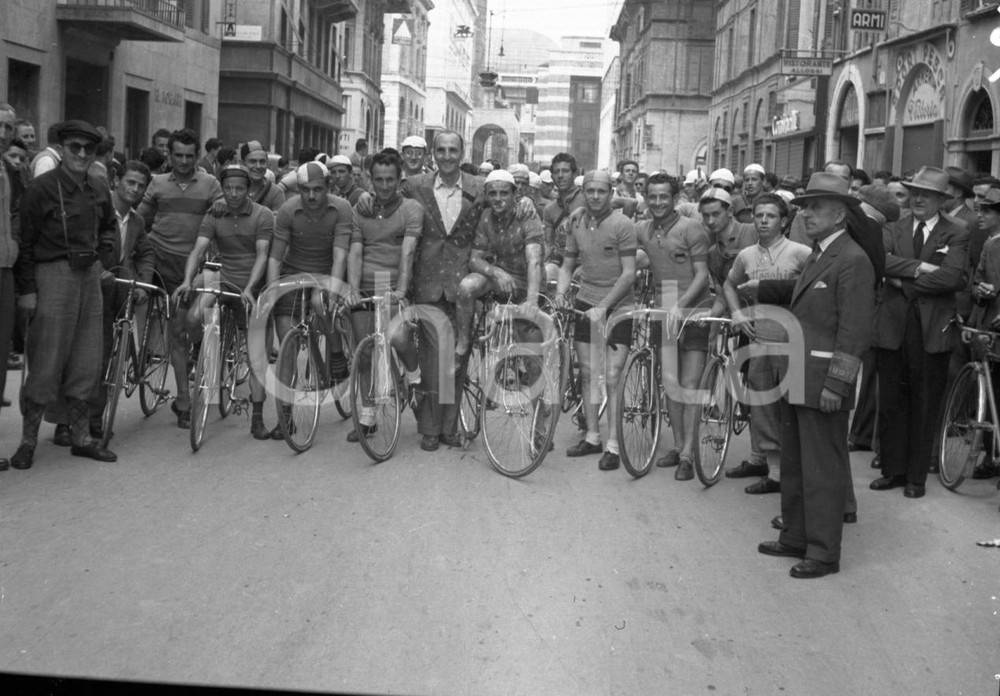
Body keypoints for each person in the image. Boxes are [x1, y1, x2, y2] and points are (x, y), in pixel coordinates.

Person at [755, 172, 876, 579]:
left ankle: (824, 553)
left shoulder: (853, 260)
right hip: (800, 375)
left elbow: (854, 330)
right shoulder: (821, 253)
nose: (805, 214)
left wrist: (837, 385)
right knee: (796, 463)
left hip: (822, 381)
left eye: (815, 207)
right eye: (805, 206)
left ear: (839, 213)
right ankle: (795, 535)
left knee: (822, 470)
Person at [12, 120, 119, 469]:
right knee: (45, 361)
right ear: (61, 149)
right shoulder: (41, 188)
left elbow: (108, 228)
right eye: (75, 147)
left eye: (89, 149)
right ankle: (28, 441)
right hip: (52, 274)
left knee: (87, 359)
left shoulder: (99, 187)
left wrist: (103, 259)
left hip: (89, 275)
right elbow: (25, 243)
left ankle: (81, 437)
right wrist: (27, 290)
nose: (82, 154)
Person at [872, 166, 970, 498]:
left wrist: (904, 283)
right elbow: (880, 262)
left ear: (941, 200)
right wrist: (917, 267)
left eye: (926, 194)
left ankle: (916, 477)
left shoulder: (956, 232)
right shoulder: (893, 228)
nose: (918, 199)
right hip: (893, 326)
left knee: (924, 401)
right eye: (914, 192)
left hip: (931, 330)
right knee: (892, 400)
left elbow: (952, 278)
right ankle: (893, 470)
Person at [172, 164, 273, 440]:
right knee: (192, 317)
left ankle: (258, 418)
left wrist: (251, 288)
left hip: (253, 288)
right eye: (228, 188)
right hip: (223, 281)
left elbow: (263, 255)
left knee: (256, 359)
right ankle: (200, 354)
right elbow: (198, 249)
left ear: (249, 190)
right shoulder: (215, 214)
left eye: (239, 188)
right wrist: (185, 279)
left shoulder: (262, 216)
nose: (233, 194)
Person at [402, 130, 486, 452]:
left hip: (462, 284)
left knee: (458, 359)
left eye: (453, 150)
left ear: (462, 152)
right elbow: (385, 201)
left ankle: (449, 428)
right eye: (441, 150)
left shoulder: (478, 189)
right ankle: (428, 427)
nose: (447, 156)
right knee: (432, 359)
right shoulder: (415, 186)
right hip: (427, 282)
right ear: (432, 154)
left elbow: (504, 209)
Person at [722, 193, 811, 494]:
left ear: (784, 221)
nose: (762, 221)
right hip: (759, 339)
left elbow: (814, 288)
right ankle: (772, 471)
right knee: (761, 405)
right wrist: (735, 313)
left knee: (789, 407)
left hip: (792, 340)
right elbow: (728, 283)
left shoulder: (800, 252)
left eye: (770, 216)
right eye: (758, 215)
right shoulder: (746, 255)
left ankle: (791, 472)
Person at [137, 128, 224, 429]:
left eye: (190, 155)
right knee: (176, 331)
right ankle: (184, 400)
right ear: (169, 155)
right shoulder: (158, 184)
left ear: (197, 155)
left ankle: (197, 357)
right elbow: (139, 218)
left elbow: (223, 216)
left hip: (194, 267)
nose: (184, 162)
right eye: (178, 155)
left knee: (187, 326)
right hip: (161, 261)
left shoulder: (211, 184)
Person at [554, 170, 637, 471]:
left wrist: (603, 307)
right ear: (583, 192)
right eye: (590, 191)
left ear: (611, 192)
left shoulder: (623, 224)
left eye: (602, 191)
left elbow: (629, 274)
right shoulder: (576, 222)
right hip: (585, 303)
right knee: (588, 372)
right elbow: (566, 265)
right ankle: (592, 437)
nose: (596, 196)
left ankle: (614, 446)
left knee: (613, 377)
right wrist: (562, 293)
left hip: (619, 307)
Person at [267, 161, 354, 438]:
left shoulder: (341, 208)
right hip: (293, 274)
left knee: (320, 304)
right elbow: (275, 257)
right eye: (305, 190)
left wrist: (332, 289)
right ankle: (285, 417)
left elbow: (340, 255)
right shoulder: (287, 210)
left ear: (328, 187)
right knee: (287, 351)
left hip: (326, 273)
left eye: (318, 189)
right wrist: (272, 289)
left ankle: (337, 355)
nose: (312, 196)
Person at [635, 172, 711, 480]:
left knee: (690, 386)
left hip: (694, 310)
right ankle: (679, 446)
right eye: (651, 197)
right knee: (670, 384)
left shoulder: (692, 228)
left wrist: (681, 307)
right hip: (663, 308)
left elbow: (702, 275)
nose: (657, 202)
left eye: (663, 196)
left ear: (675, 198)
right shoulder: (642, 229)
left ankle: (688, 456)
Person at [345, 150, 423, 442]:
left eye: (391, 179)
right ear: (370, 178)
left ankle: (414, 376)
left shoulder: (411, 209)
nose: (385, 185)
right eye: (378, 179)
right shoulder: (360, 209)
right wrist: (352, 288)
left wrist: (401, 290)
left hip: (393, 285)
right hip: (366, 285)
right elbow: (356, 249)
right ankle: (367, 416)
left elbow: (409, 251)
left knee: (400, 337)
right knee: (364, 353)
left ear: (400, 177)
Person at [89, 160, 157, 441]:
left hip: (122, 288)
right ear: (116, 180)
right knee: (93, 353)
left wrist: (144, 281)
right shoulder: (99, 211)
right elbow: (86, 244)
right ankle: (71, 419)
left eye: (141, 186)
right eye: (130, 182)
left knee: (114, 353)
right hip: (95, 287)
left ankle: (95, 417)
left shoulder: (138, 220)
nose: (135, 189)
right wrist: (98, 270)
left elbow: (145, 252)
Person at [454, 169, 544, 359]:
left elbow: (534, 261)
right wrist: (495, 272)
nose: (498, 198)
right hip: (502, 280)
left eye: (504, 193)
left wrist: (532, 300)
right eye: (493, 193)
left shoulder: (527, 214)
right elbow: (474, 259)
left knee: (532, 357)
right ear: (486, 195)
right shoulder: (486, 216)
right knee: (466, 287)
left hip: (529, 283)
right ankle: (463, 341)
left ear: (514, 194)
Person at [541, 152, 586, 285]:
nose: (560, 176)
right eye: (556, 172)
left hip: (586, 264)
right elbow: (549, 245)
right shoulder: (549, 210)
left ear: (574, 174)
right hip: (561, 264)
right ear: (552, 177)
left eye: (565, 171)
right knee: (545, 273)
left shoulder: (588, 200)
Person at [241, 140, 285, 212]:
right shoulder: (234, 189)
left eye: (262, 162)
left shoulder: (275, 193)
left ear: (267, 163)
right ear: (242, 163)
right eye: (252, 161)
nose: (258, 166)